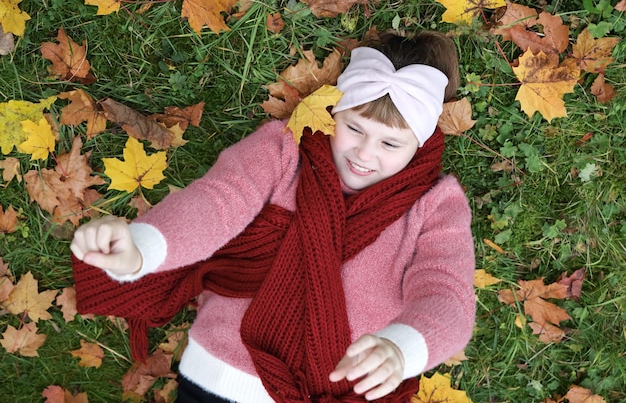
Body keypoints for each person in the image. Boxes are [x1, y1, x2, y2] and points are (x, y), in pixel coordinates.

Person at [70, 29, 475, 403]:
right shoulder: (285, 152)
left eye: (390, 142)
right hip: (221, 375)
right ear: (332, 111)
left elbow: (447, 293)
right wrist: (143, 246)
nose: (365, 154)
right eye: (354, 128)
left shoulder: (434, 206)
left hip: (342, 390)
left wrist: (403, 348)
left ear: (420, 144)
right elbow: (217, 203)